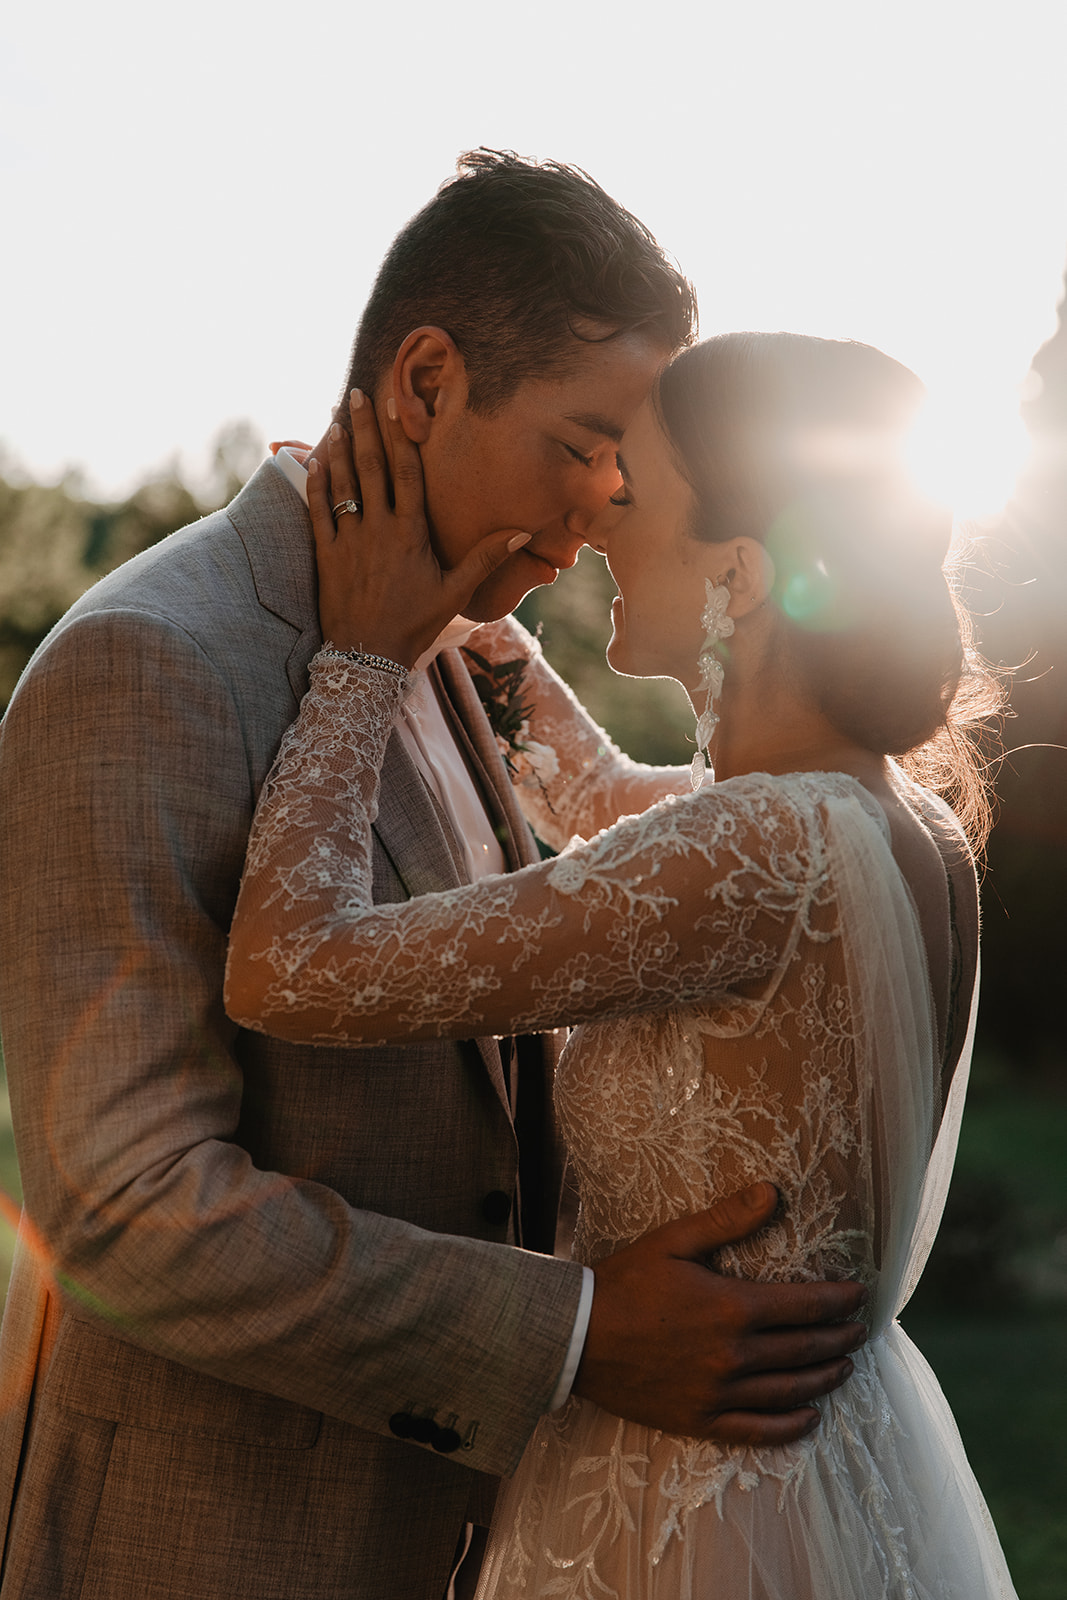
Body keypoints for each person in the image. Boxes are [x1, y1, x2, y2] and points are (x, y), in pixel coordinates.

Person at [0, 155, 865, 1600]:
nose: (602, 511)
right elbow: (129, 1207)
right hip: (218, 1545)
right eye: (581, 442)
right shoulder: (149, 664)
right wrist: (578, 1333)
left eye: (622, 466)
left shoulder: (452, 641)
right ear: (423, 383)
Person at [224, 331, 1018, 1598]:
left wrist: (364, 651)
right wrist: (478, 625)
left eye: (631, 491)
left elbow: (290, 966)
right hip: (825, 1480)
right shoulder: (890, 822)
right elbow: (606, 800)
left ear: (741, 575)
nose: (591, 520)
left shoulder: (753, 844)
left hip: (688, 1523)